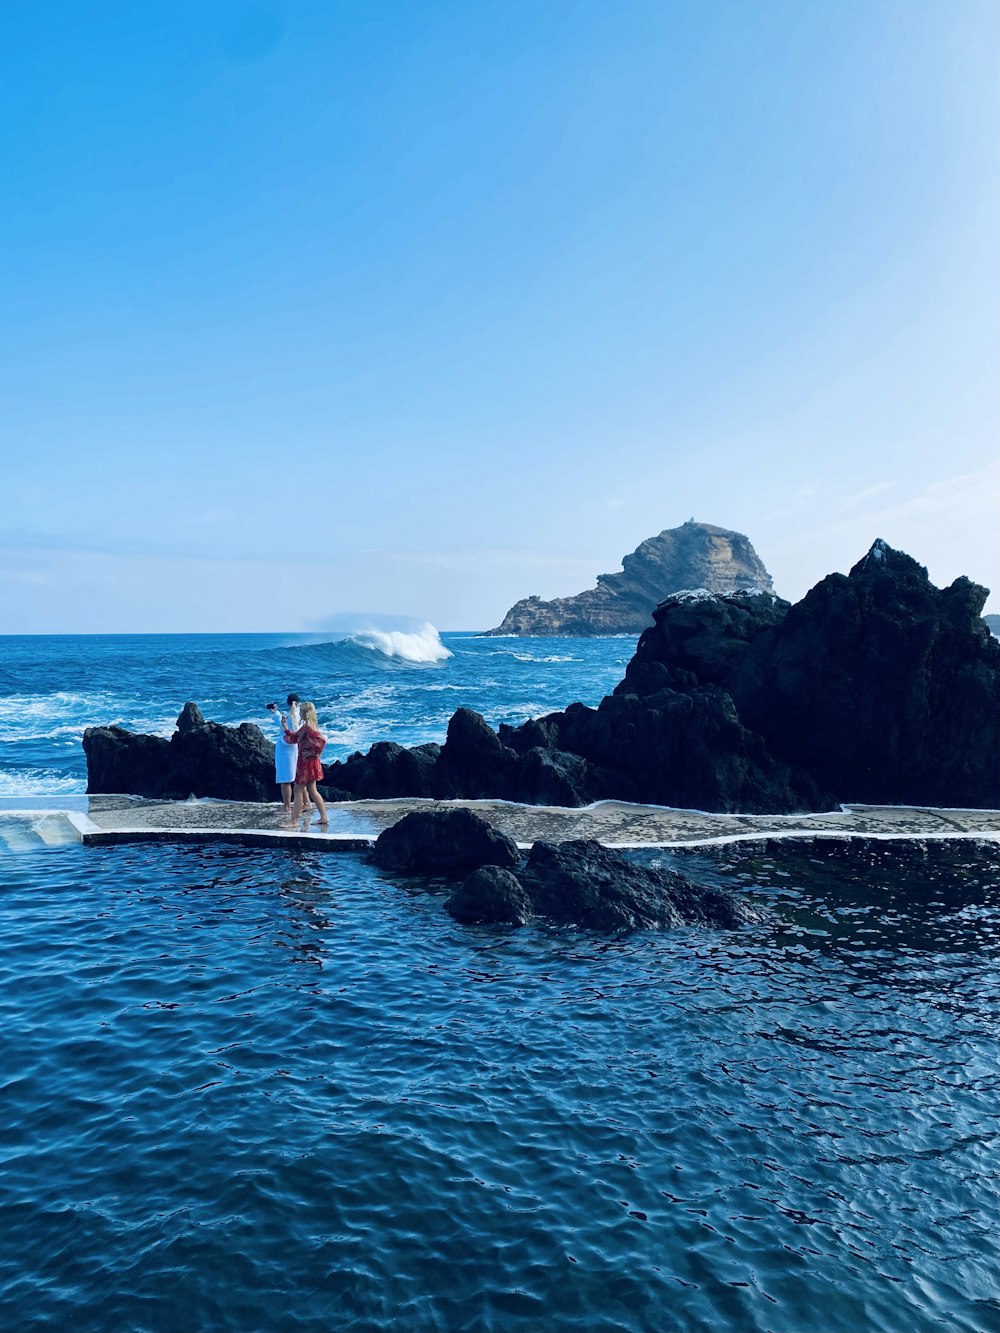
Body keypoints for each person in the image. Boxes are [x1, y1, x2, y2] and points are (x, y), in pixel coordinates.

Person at [282, 701, 328, 826]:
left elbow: (322, 740)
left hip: (306, 763)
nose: (299, 713)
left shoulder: (307, 728)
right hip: (312, 763)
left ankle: (294, 821)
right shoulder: (311, 727)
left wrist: (313, 753)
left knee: (298, 789)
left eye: (301, 711)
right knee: (312, 790)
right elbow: (295, 738)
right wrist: (286, 728)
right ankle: (324, 817)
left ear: (305, 713)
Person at [266, 696, 300, 816]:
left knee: (285, 779)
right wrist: (276, 713)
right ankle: (305, 803)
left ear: (287, 703)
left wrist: (276, 713)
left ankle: (287, 807)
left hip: (286, 747)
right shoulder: (299, 716)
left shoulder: (289, 716)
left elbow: (282, 725)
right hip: (296, 748)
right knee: (297, 779)